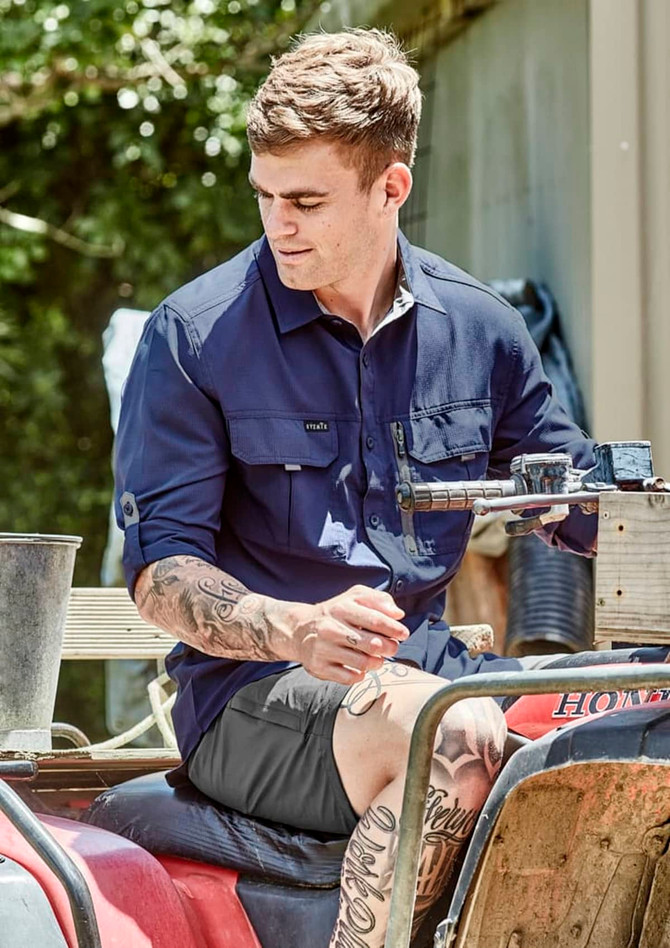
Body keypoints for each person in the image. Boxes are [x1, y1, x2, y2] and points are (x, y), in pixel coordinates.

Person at [114, 29, 597, 948]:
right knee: (448, 736)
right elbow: (161, 574)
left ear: (391, 187)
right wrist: (294, 627)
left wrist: (630, 522)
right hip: (252, 696)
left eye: (305, 201)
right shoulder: (193, 336)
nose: (278, 225)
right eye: (265, 196)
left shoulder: (483, 331)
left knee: (634, 717)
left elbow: (581, 503)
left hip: (436, 674)